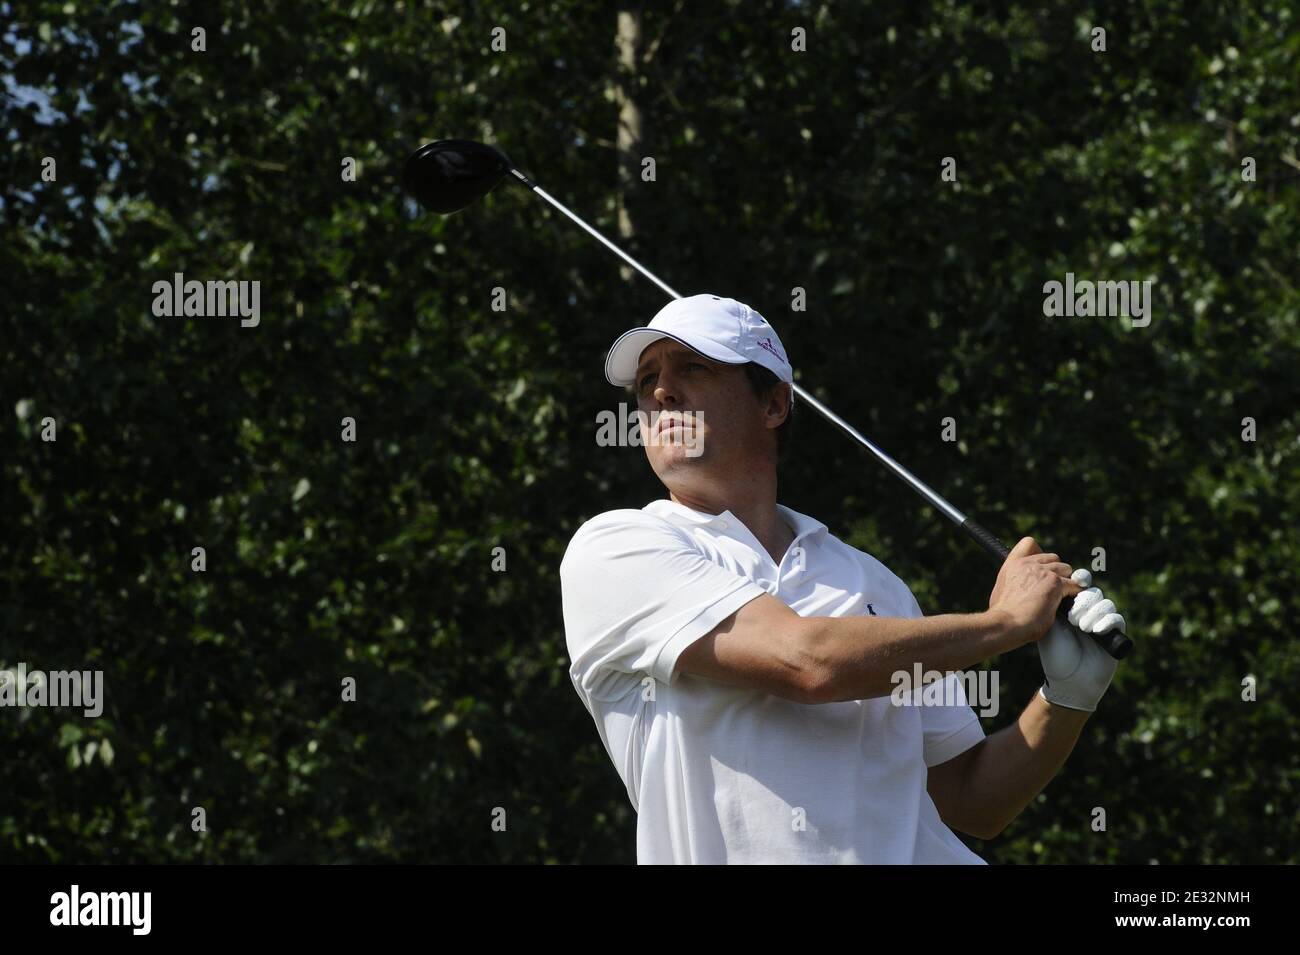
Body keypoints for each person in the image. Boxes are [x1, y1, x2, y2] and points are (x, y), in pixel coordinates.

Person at [559, 294, 1126, 864]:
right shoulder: (615, 549)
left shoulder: (874, 581)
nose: (660, 393)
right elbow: (809, 663)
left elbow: (972, 801)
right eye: (647, 380)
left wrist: (1067, 699)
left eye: (694, 368)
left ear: (774, 403)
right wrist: (1006, 623)